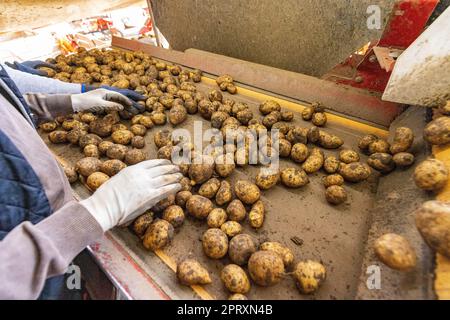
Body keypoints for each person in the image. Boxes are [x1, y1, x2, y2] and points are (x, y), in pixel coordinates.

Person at [0, 61, 182, 299]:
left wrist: (71, 101)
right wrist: (95, 213)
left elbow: (7, 107)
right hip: (37, 278)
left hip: (46, 221)